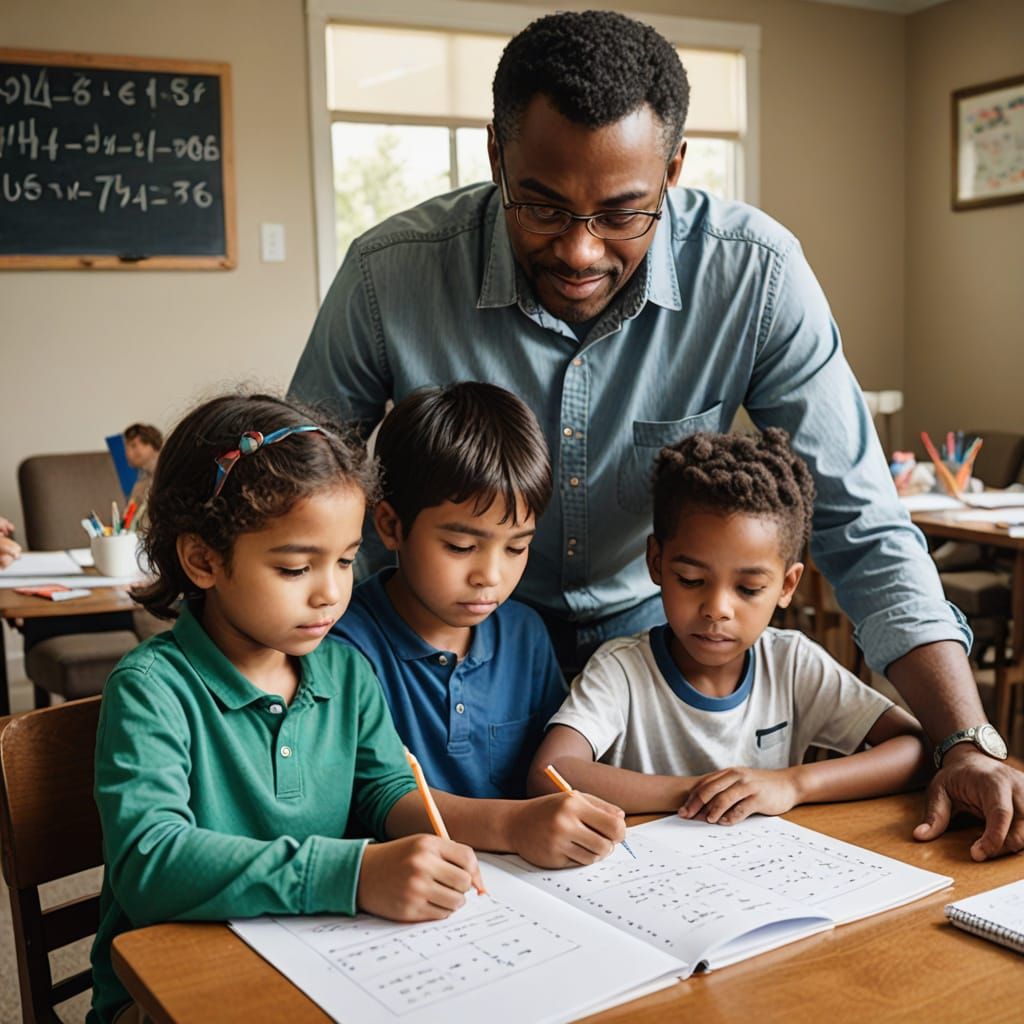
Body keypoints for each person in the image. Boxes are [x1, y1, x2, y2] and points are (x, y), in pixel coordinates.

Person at [291, 9, 1023, 858]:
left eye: (622, 213)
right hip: (429, 666)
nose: (579, 250)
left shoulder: (756, 274)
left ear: (674, 171)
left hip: (645, 671)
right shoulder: (390, 275)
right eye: (542, 205)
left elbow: (859, 522)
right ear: (496, 156)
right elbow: (305, 498)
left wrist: (966, 740)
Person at [88, 391, 623, 1024]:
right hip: (167, 993)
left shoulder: (343, 670)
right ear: (203, 559)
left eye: (345, 561)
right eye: (295, 568)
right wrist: (353, 873)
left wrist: (510, 827)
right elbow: (151, 865)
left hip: (313, 958)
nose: (332, 593)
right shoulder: (153, 687)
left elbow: (387, 793)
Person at [530, 429, 928, 820]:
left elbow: (915, 748)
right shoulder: (622, 670)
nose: (717, 609)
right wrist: (699, 792)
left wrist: (792, 784)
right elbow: (551, 772)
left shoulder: (791, 664)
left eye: (749, 588)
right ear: (656, 563)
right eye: (690, 580)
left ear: (787, 585)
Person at [334, 383, 567, 798]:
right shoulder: (345, 646)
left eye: (517, 547)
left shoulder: (525, 635)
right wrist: (516, 825)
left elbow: (553, 776)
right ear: (390, 526)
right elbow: (370, 799)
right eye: (461, 547)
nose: (490, 576)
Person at [123, 421, 163, 508]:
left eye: (133, 445)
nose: (127, 453)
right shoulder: (140, 486)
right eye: (126, 448)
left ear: (151, 444)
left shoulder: (172, 472)